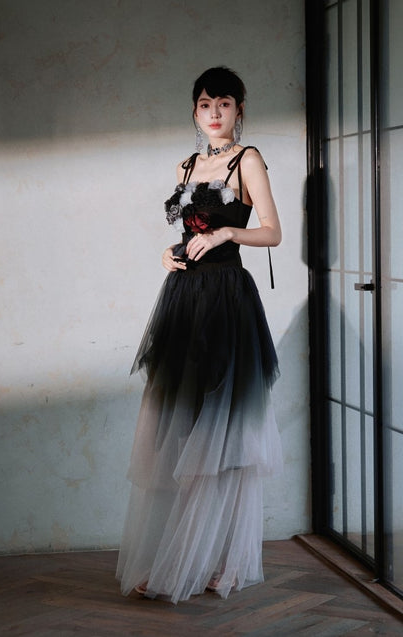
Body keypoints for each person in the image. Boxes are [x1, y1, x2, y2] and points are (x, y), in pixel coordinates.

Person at [116, 66, 283, 604]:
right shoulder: (187, 165)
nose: (214, 113)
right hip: (185, 300)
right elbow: (188, 234)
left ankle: (218, 565)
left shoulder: (247, 159)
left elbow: (273, 233)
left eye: (224, 104)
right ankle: (190, 559)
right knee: (184, 429)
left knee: (225, 431)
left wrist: (230, 230)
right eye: (206, 104)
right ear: (195, 111)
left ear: (239, 110)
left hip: (227, 302)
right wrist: (168, 254)